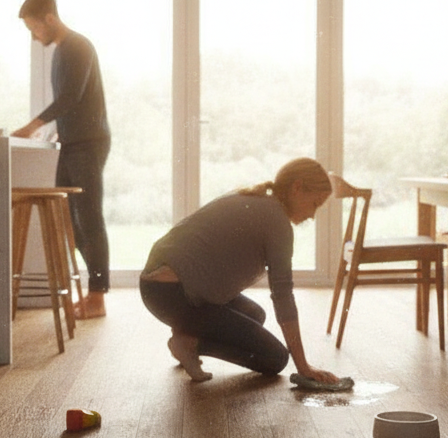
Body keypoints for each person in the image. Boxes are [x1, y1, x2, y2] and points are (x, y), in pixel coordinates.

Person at [140, 158, 340, 384]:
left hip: (156, 288)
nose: (312, 215)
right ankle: (189, 343)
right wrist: (303, 366)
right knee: (276, 359)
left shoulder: (254, 198)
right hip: (172, 296)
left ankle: (186, 335)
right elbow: (283, 295)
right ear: (297, 187)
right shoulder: (277, 222)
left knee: (254, 315)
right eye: (315, 204)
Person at [11, 0, 110, 318]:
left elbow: (70, 96)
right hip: (73, 142)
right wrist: (59, 130)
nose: (33, 35)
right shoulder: (62, 51)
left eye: (34, 27)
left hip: (89, 143)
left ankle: (97, 298)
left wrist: (32, 126)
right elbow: (73, 103)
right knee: (70, 220)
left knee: (89, 218)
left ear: (49, 18)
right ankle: (93, 293)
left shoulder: (78, 46)